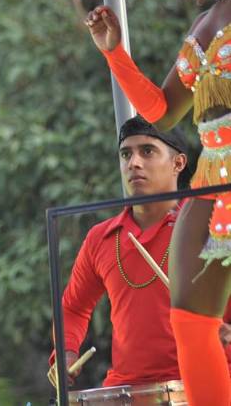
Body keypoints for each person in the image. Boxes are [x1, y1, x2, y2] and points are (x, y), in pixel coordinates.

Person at [85, 0, 231, 405]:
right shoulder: (206, 22)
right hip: (212, 177)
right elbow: (162, 111)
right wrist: (115, 53)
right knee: (190, 321)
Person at [52, 116, 231, 389]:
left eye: (147, 151)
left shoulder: (211, 227)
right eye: (126, 154)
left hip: (203, 386)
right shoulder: (100, 238)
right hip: (126, 391)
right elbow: (73, 307)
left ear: (178, 163)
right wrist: (66, 352)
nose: (133, 163)